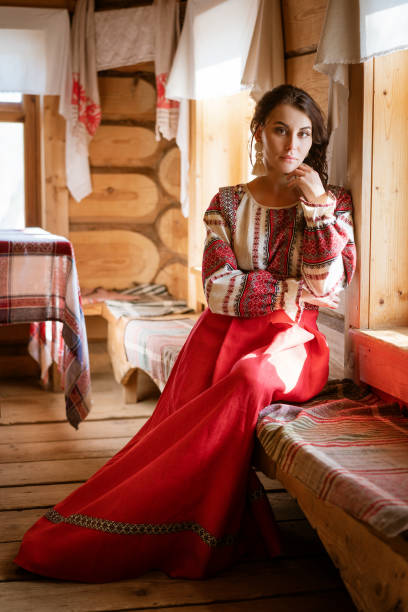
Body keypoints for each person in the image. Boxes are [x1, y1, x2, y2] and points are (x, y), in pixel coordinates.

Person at [14, 84, 356, 583]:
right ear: (260, 130)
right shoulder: (229, 203)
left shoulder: (331, 203)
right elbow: (218, 290)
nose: (292, 145)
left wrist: (317, 207)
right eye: (281, 129)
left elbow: (326, 287)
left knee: (248, 379)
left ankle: (193, 513)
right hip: (217, 334)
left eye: (304, 134)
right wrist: (288, 287)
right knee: (195, 402)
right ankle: (153, 503)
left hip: (295, 342)